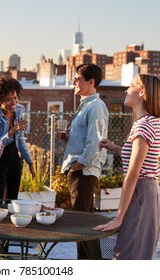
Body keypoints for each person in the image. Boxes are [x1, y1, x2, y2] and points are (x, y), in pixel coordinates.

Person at [93, 74, 160, 260]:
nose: (126, 89)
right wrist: (115, 148)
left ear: (142, 92)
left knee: (129, 254)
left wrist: (118, 217)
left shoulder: (143, 127)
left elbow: (133, 174)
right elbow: (140, 157)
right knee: (135, 251)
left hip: (141, 192)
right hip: (146, 192)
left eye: (131, 85)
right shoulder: (147, 122)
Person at [57, 63, 108, 259]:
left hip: (83, 172)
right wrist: (67, 137)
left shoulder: (96, 106)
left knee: (82, 223)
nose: (74, 82)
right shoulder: (86, 105)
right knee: (85, 222)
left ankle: (88, 265)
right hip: (79, 169)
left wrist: (79, 165)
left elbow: (95, 141)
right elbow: (85, 138)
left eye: (77, 78)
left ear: (91, 82)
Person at [0, 76, 36, 203]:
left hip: (14, 158)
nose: (14, 103)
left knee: (12, 202)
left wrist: (30, 163)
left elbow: (21, 139)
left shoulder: (19, 109)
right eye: (8, 100)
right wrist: (12, 131)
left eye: (15, 98)